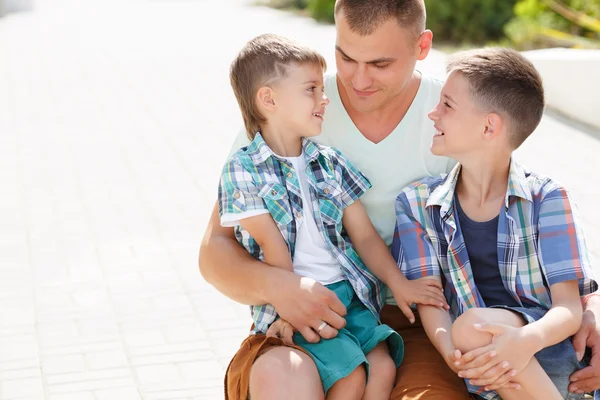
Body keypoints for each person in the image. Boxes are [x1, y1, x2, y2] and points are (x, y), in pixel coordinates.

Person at [199, 0, 600, 398]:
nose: (357, 80)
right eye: (346, 56)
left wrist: (593, 310)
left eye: (379, 64)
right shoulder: (291, 108)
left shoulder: (453, 112)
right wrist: (279, 287)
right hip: (307, 313)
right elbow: (215, 250)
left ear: (422, 47)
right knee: (284, 378)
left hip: (420, 320)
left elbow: (527, 213)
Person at [218, 32, 453, 399]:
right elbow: (271, 245)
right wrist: (285, 303)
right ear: (269, 99)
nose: (324, 97)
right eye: (311, 89)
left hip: (352, 294)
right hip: (302, 300)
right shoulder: (244, 169)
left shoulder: (328, 162)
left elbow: (363, 235)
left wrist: (399, 284)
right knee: (351, 378)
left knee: (382, 366)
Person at [392, 47, 598, 400]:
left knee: (473, 325)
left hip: (548, 350)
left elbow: (568, 307)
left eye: (447, 105)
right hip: (477, 363)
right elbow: (431, 301)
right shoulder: (415, 204)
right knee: (470, 328)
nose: (432, 113)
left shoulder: (547, 198)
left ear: (489, 126)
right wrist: (451, 354)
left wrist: (523, 341)